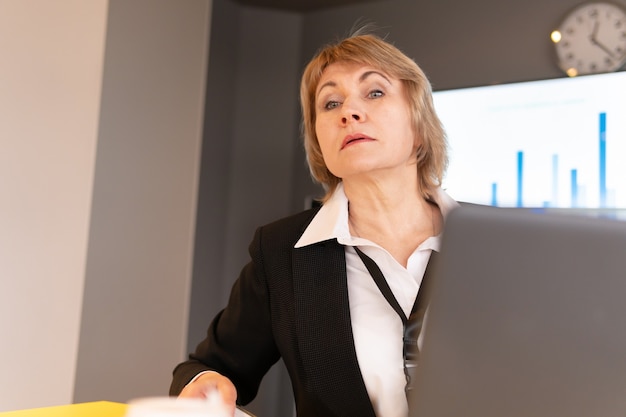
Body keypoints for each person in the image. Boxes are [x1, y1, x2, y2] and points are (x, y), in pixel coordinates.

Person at [169, 28, 459, 417]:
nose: (349, 112)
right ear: (318, 141)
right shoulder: (281, 253)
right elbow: (209, 368)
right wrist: (204, 384)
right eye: (330, 103)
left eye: (374, 92)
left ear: (420, 125)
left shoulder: (502, 245)